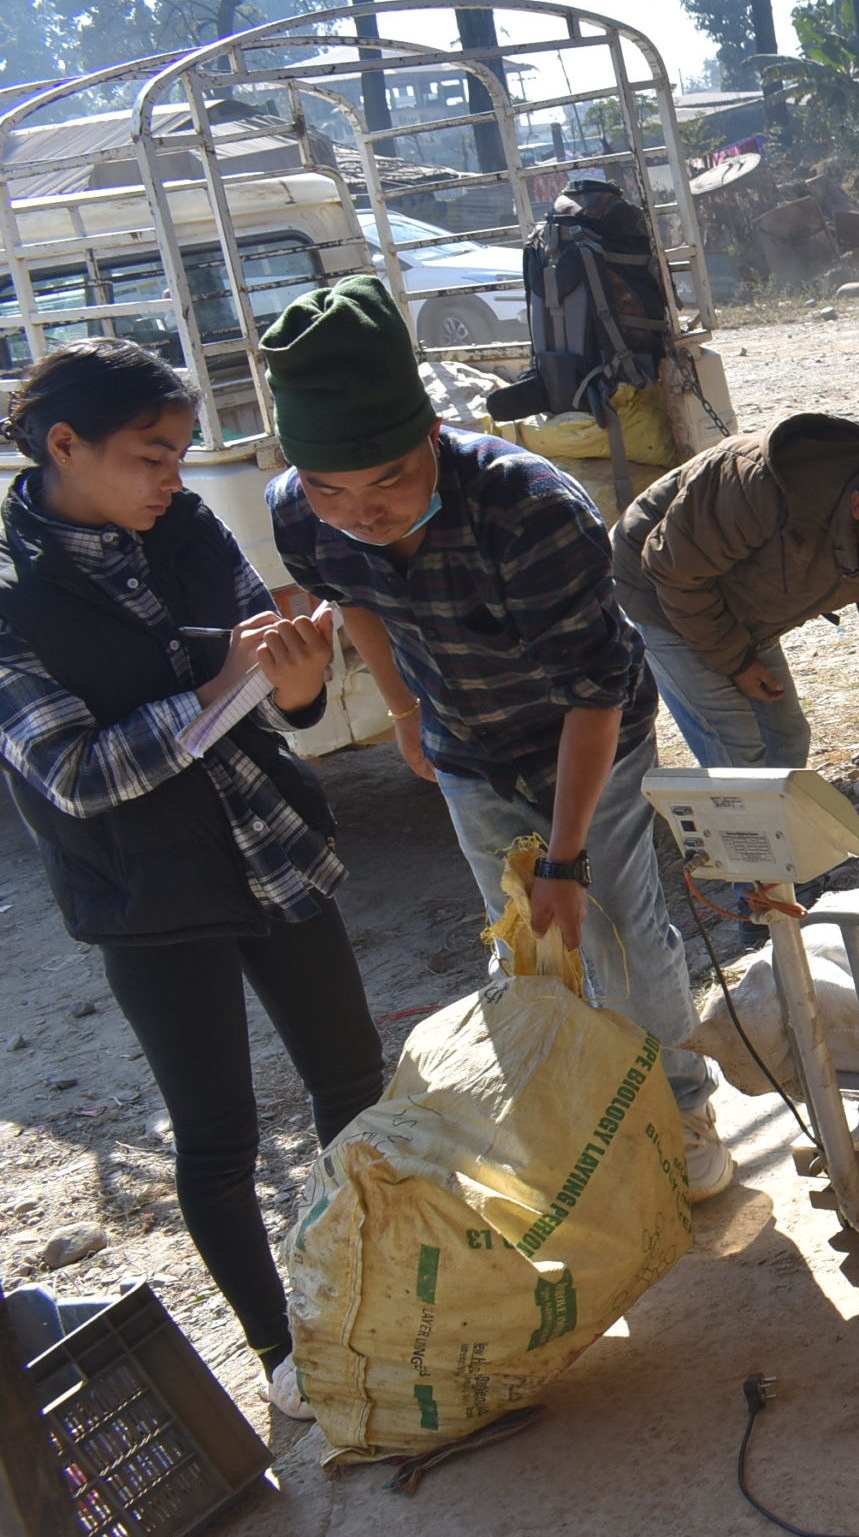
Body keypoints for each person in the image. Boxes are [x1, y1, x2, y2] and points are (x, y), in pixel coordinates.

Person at [260, 277, 735, 1203]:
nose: (363, 509)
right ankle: (576, 1123)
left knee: (622, 936)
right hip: (468, 747)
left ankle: (684, 1114)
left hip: (591, 734)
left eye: (390, 478)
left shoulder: (529, 510)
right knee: (526, 951)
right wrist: (405, 714)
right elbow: (353, 598)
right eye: (333, 488)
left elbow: (594, 698)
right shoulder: (297, 511)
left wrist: (564, 860)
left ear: (432, 436)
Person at [0, 340, 381, 1420]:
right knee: (217, 1139)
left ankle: (384, 1282)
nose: (176, 477)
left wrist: (303, 690)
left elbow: (280, 679)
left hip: (272, 844)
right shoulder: (10, 595)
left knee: (355, 1086)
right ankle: (281, 1351)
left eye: (180, 454)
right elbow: (76, 772)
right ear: (63, 445)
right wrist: (226, 681)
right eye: (152, 455)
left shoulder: (185, 524)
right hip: (146, 895)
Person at [609, 420, 859, 794]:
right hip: (659, 590)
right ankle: (750, 845)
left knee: (787, 737)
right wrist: (739, 663)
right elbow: (673, 570)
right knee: (738, 750)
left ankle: (776, 837)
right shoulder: (764, 486)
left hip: (742, 604)